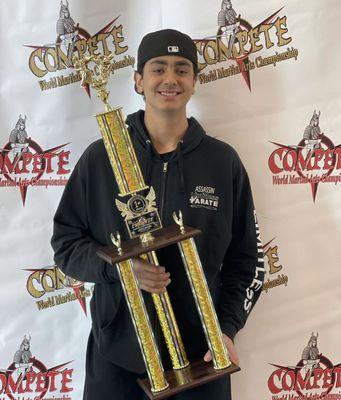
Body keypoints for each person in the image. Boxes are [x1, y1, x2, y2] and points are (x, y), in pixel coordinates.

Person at [51, 28, 264, 400]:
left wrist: (225, 330)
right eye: (158, 68)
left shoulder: (222, 162)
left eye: (182, 69)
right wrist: (120, 270)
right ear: (138, 80)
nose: (170, 79)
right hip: (118, 359)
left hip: (203, 357)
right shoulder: (101, 159)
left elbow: (247, 261)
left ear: (195, 82)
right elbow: (67, 244)